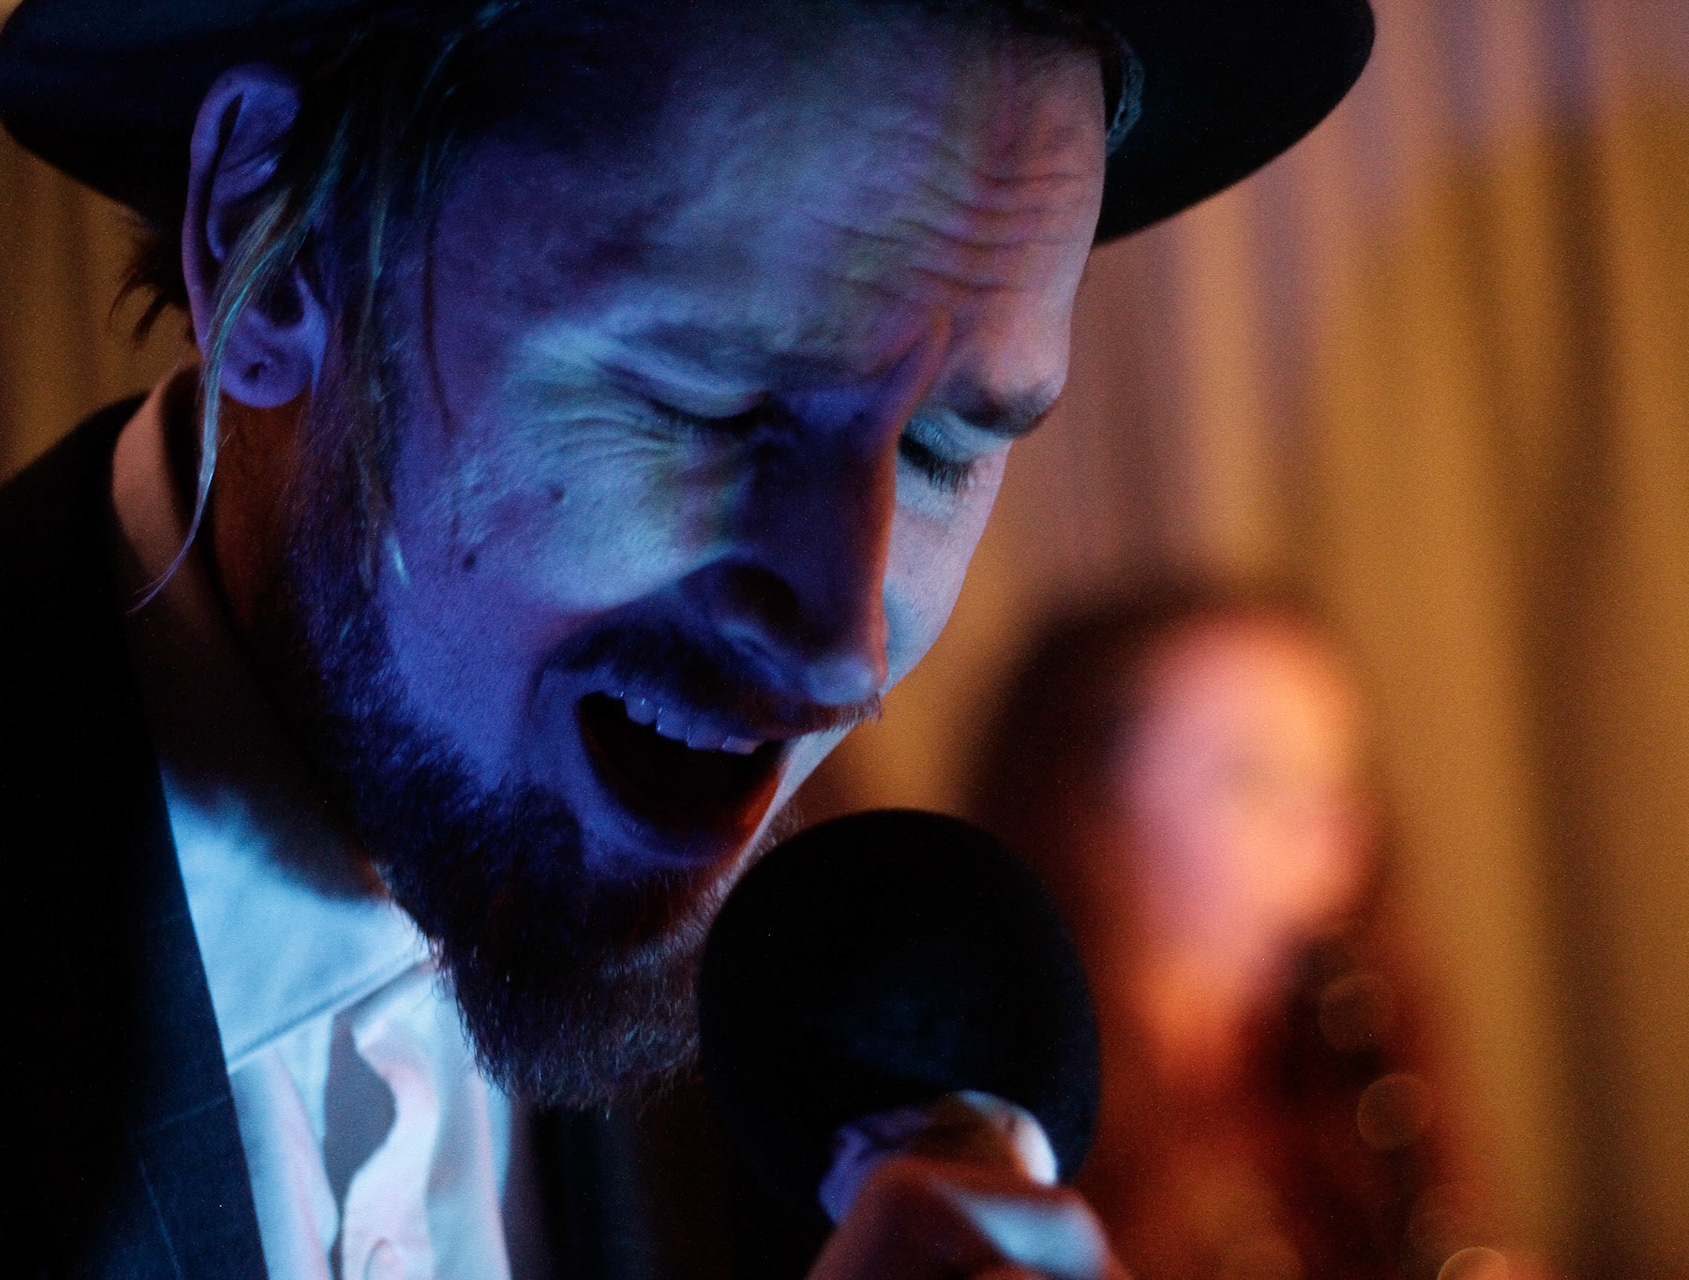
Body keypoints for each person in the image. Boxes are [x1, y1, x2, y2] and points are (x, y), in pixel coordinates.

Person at [0, 1, 1375, 1276]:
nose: (844, 645)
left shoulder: (800, 1082)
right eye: (709, 401)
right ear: (274, 248)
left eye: (945, 449)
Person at [971, 586, 1500, 1280]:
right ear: (1087, 818)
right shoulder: (987, 1131)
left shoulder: (1332, 1082)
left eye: (1337, 779)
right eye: (1253, 778)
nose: (1327, 832)